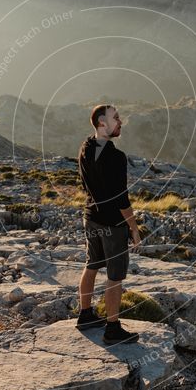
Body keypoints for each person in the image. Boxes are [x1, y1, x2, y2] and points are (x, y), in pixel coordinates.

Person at [76, 104, 142, 344]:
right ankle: (112, 329)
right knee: (115, 276)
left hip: (91, 217)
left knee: (91, 264)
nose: (120, 121)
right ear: (102, 123)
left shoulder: (85, 147)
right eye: (116, 118)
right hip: (113, 224)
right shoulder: (116, 157)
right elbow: (122, 199)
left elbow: (85, 185)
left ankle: (85, 315)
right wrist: (134, 229)